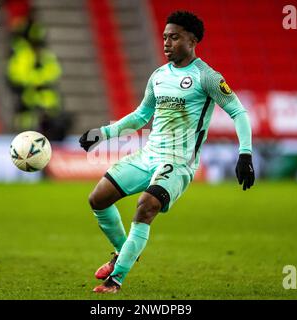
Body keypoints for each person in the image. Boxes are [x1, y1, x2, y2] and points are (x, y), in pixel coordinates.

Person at [79, 11, 255, 293]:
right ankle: (123, 253)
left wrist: (245, 154)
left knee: (146, 206)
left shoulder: (207, 77)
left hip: (178, 161)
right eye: (164, 37)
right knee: (98, 199)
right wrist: (102, 133)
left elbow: (239, 112)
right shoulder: (159, 76)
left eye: (174, 37)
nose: (166, 43)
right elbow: (140, 116)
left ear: (192, 40)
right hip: (149, 154)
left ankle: (116, 279)